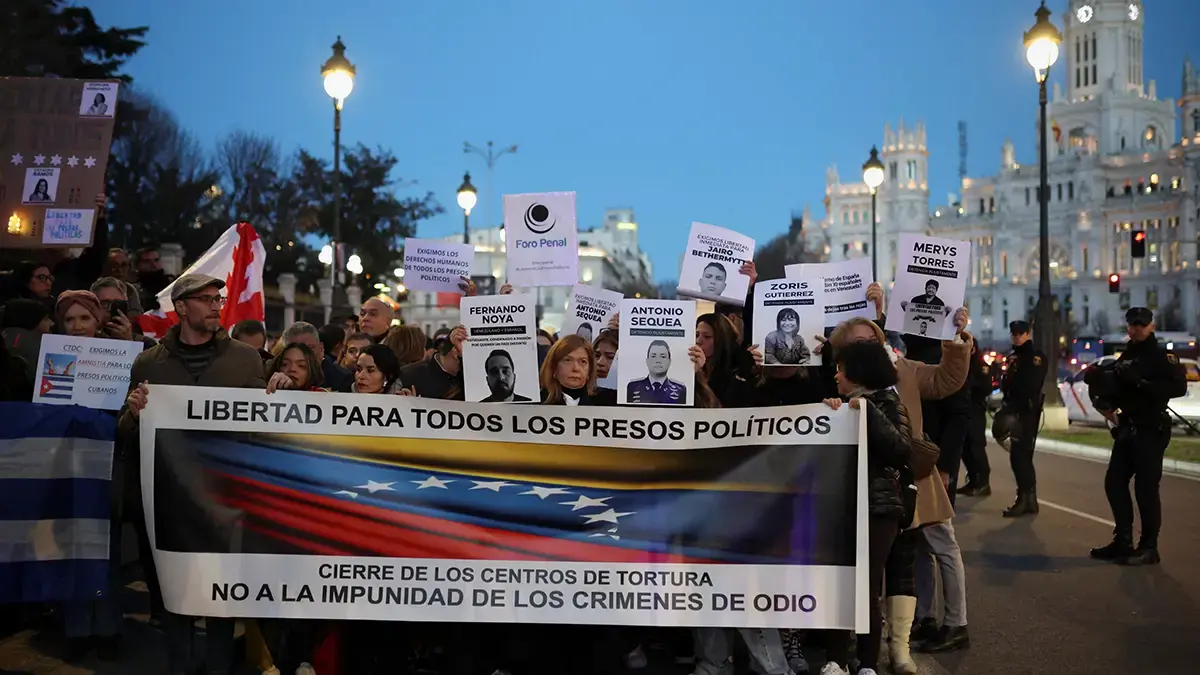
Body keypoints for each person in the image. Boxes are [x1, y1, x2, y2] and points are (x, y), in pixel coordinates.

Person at [118, 273, 267, 675]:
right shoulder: (149, 362)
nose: (216, 305)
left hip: (225, 501)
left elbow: (263, 423)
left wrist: (276, 392)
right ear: (181, 308)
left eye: (217, 298)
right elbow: (126, 434)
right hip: (170, 502)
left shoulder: (245, 358)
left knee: (220, 600)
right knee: (175, 599)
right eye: (204, 299)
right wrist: (133, 414)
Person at [821, 341, 913, 675]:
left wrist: (867, 412)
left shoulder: (889, 404)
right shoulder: (839, 406)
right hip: (841, 507)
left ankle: (868, 663)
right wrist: (832, 411)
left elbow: (901, 449)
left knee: (867, 586)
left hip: (878, 508)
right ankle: (836, 659)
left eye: (841, 368)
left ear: (858, 372)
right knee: (838, 582)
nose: (836, 375)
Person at [1087, 307, 1187, 566]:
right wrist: (1099, 380)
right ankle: (1123, 541)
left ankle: (1149, 547)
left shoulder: (1162, 356)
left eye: (1141, 325)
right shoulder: (1127, 354)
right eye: (1132, 324)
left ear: (1151, 326)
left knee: (1145, 490)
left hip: (1150, 429)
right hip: (1127, 428)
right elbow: (1118, 389)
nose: (1135, 329)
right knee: (1114, 483)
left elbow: (1178, 387)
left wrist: (1141, 382)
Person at [997, 320, 1048, 518]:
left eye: (1021, 333)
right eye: (1014, 333)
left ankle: (1025, 499)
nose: (1017, 337)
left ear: (1028, 334)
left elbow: (1029, 385)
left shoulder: (1035, 357)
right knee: (1020, 457)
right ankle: (1029, 500)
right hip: (1014, 410)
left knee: (1021, 457)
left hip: (1026, 413)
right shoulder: (1013, 357)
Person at [959, 337, 994, 496]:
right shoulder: (961, 363)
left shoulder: (981, 366)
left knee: (976, 447)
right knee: (964, 448)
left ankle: (983, 483)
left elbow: (985, 388)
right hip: (963, 410)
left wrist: (970, 388)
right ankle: (973, 480)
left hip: (975, 410)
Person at [540, 334, 617, 405]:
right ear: (554, 367)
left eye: (583, 361)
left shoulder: (608, 400)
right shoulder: (537, 401)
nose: (576, 368)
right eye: (568, 360)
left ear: (590, 369)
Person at [626, 339, 688, 404]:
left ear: (669, 361)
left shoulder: (680, 390)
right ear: (647, 361)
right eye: (653, 356)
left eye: (663, 357)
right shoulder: (633, 387)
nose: (658, 360)